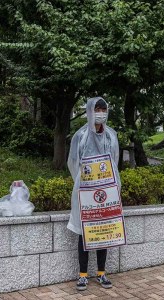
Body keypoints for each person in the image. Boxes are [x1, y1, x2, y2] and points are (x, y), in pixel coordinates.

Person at [67, 97, 120, 291]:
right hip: (86, 190)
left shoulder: (111, 135)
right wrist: (82, 184)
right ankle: (82, 275)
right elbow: (73, 162)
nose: (100, 113)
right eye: (97, 109)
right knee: (85, 231)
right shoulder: (80, 135)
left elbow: (114, 161)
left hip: (107, 189)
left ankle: (101, 272)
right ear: (90, 111)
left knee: (103, 230)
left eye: (103, 109)